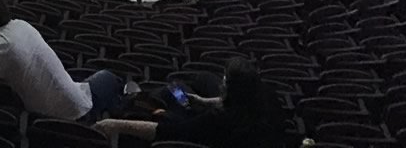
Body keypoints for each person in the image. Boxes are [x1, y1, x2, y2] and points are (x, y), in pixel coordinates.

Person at [94, 57, 291, 147]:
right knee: (202, 79)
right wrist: (205, 101)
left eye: (225, 82)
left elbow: (166, 133)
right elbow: (238, 102)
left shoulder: (218, 120)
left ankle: (132, 100)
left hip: (204, 134)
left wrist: (115, 125)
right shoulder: (266, 95)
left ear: (232, 90)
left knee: (173, 91)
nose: (221, 84)